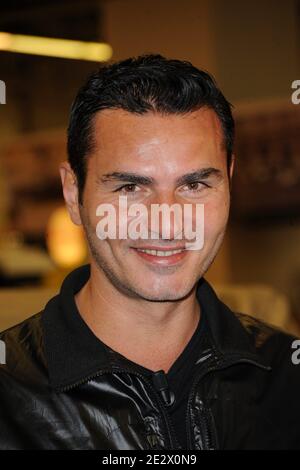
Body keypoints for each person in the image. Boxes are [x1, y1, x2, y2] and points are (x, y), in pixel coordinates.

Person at [0, 54, 299, 450]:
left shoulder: (286, 380)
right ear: (74, 194)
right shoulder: (9, 395)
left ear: (228, 181)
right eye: (130, 188)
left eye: (194, 186)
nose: (166, 222)